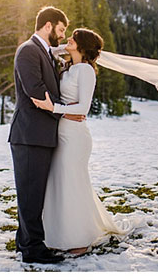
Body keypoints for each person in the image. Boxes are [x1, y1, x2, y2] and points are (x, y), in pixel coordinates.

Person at [32, 28, 135, 256]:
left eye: (73, 38)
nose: (68, 39)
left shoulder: (86, 71)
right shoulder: (68, 67)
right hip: (61, 132)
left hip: (75, 137)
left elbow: (83, 108)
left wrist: (53, 108)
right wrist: (67, 48)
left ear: (83, 46)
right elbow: (51, 50)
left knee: (73, 184)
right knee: (60, 183)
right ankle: (59, 235)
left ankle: (81, 239)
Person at [8, 6, 85, 264]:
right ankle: (33, 249)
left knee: (34, 193)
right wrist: (65, 112)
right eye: (61, 30)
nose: (62, 36)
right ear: (48, 25)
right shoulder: (28, 50)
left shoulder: (44, 52)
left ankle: (24, 242)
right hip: (30, 134)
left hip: (40, 134)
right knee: (30, 194)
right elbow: (36, 91)